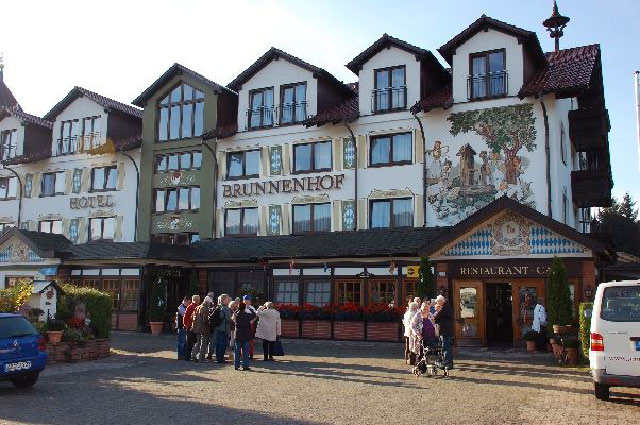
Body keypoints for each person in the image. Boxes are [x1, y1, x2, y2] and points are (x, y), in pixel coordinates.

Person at [434, 294, 454, 376]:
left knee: (446, 347)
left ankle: (447, 362)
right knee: (447, 346)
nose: (437, 304)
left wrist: (436, 315)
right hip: (447, 330)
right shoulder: (447, 306)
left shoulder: (445, 307)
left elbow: (437, 317)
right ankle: (448, 362)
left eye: (438, 302)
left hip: (445, 331)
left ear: (441, 301)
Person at [233, 302, 256, 371]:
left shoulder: (236, 315)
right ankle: (245, 365)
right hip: (246, 334)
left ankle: (236, 365)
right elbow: (254, 315)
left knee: (237, 351)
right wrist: (250, 309)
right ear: (245, 308)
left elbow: (234, 321)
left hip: (238, 334)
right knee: (246, 351)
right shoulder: (247, 315)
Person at [192, 296, 213, 362]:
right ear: (207, 302)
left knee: (198, 342)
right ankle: (201, 358)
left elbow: (194, 317)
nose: (210, 304)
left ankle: (193, 355)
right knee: (203, 344)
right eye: (209, 303)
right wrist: (210, 322)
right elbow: (205, 320)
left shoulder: (198, 307)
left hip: (197, 328)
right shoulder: (205, 309)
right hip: (204, 329)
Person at [213, 294, 232, 363]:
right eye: (227, 299)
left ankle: (218, 358)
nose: (228, 301)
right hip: (223, 328)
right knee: (222, 344)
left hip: (217, 328)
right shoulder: (226, 308)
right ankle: (221, 359)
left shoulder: (218, 306)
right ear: (223, 300)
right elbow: (228, 319)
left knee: (218, 344)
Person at [183, 294, 200, 362]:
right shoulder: (194, 307)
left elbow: (185, 317)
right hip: (191, 327)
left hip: (190, 326)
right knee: (191, 342)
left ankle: (188, 357)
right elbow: (186, 317)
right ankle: (189, 357)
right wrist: (186, 325)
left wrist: (186, 324)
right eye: (198, 300)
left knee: (190, 342)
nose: (199, 301)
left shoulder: (191, 307)